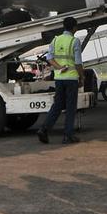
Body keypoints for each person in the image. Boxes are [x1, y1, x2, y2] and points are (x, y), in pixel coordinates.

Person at [38, 16, 83, 144]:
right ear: (74, 28)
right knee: (70, 107)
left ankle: (44, 129)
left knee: (57, 105)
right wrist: (82, 77)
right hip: (72, 79)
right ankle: (68, 135)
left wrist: (59, 68)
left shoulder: (55, 40)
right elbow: (78, 63)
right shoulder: (75, 41)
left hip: (59, 78)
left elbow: (49, 58)